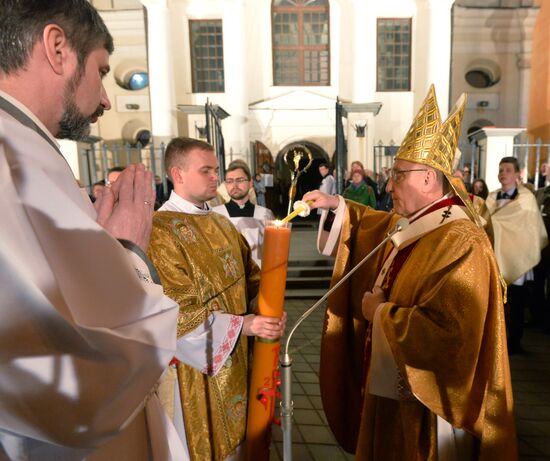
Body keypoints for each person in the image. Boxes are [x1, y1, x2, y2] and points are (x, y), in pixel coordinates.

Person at [0, 1, 180, 459]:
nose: (105, 98)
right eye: (101, 71)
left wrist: (94, 254)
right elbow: (68, 379)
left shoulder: (25, 148)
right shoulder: (14, 155)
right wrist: (128, 252)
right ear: (57, 48)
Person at [303, 85, 516, 460]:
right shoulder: (422, 222)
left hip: (429, 405)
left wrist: (380, 314)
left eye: (398, 175)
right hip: (390, 383)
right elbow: (377, 227)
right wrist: (337, 204)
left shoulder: (462, 240)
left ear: (428, 179)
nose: (389, 185)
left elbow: (452, 336)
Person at [147, 137, 286, 461]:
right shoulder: (160, 230)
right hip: (198, 369)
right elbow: (174, 313)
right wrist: (245, 325)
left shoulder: (221, 222)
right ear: (177, 174)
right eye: (206, 170)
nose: (215, 177)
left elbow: (253, 278)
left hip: (240, 355)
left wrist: (268, 309)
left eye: (216, 170)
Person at [483, 157, 547, 354]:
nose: (503, 173)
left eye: (508, 170)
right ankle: (493, 339)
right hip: (495, 255)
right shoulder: (491, 198)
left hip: (516, 255)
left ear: (518, 174)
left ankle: (515, 341)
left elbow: (529, 228)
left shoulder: (526, 199)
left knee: (516, 302)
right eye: (501, 170)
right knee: (495, 302)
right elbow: (485, 224)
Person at [213, 161, 274, 267]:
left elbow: (273, 252)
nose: (234, 185)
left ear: (250, 183)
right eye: (229, 181)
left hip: (259, 277)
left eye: (240, 180)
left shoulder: (265, 215)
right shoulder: (214, 215)